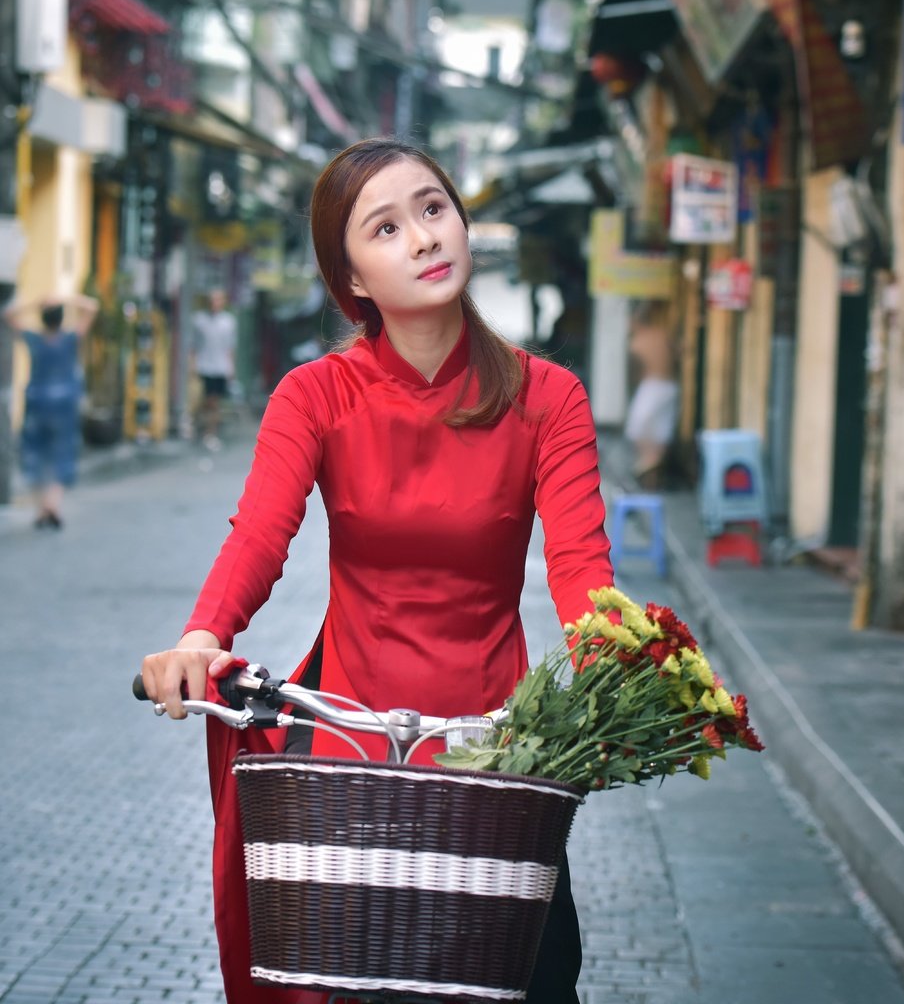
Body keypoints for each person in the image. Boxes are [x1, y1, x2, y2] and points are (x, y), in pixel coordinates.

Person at [140, 138, 614, 1004]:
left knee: (531, 979)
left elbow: (582, 567)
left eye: (434, 210)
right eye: (386, 228)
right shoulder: (315, 395)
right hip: (352, 736)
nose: (425, 238)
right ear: (352, 277)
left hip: (498, 748)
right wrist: (202, 636)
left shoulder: (550, 397)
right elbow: (260, 535)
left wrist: (615, 672)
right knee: (344, 978)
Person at [3, 293, 99, 529]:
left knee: (36, 454)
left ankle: (40, 511)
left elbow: (7, 314)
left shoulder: (34, 339)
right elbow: (92, 307)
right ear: (61, 318)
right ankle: (52, 506)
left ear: (43, 319)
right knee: (61, 455)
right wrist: (66, 298)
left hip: (37, 404)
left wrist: (36, 301)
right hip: (65, 405)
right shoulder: (70, 339)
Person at [623, 302, 679, 489]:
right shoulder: (662, 335)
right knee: (661, 430)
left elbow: (633, 374)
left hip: (652, 386)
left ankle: (648, 461)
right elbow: (678, 355)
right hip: (670, 386)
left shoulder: (636, 343)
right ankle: (652, 469)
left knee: (637, 427)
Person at [190, 287, 237, 449]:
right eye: (212, 299)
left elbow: (230, 347)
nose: (215, 303)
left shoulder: (228, 322)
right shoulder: (199, 320)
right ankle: (200, 427)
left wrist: (231, 368)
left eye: (218, 299)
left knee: (215, 402)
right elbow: (194, 346)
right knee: (205, 400)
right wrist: (193, 364)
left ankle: (210, 432)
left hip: (220, 367)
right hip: (204, 366)